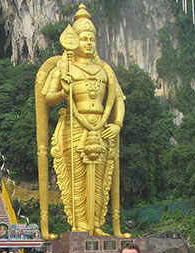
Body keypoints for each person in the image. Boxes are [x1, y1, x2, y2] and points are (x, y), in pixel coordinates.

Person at [35, 4, 130, 239]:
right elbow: (46, 97)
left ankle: (98, 224)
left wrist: (116, 124)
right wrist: (63, 89)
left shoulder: (105, 69)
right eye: (83, 38)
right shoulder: (64, 66)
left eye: (91, 38)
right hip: (74, 128)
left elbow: (118, 99)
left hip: (102, 126)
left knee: (100, 179)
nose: (88, 42)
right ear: (74, 41)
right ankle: (79, 225)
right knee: (76, 178)